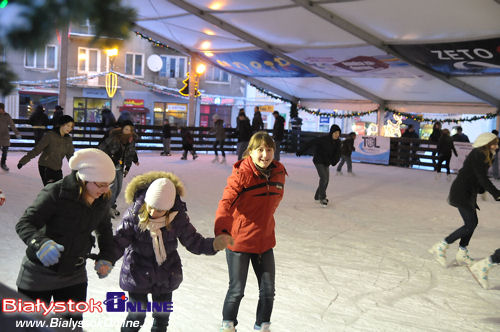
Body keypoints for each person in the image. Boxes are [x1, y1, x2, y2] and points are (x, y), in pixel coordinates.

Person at [112, 173, 232, 332]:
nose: (154, 212)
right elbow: (120, 240)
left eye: (160, 210)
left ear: (169, 209)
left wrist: (214, 244)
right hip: (137, 273)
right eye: (151, 206)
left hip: (165, 274)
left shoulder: (177, 218)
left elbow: (193, 241)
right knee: (136, 316)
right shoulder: (135, 214)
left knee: (161, 319)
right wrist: (106, 258)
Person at [15, 148, 116, 324]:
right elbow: (25, 223)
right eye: (101, 184)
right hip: (38, 274)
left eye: (109, 184)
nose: (106, 189)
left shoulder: (102, 197)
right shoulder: (55, 192)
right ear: (85, 179)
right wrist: (40, 243)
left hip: (74, 275)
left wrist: (107, 257)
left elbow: (105, 229)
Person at [215, 131, 286, 332]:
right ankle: (228, 326)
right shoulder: (242, 175)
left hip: (264, 241)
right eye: (260, 150)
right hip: (239, 241)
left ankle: (262, 326)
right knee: (237, 290)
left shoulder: (278, 172)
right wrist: (222, 230)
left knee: (268, 291)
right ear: (251, 152)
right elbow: (226, 204)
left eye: (269, 149)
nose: (265, 154)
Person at [429, 132, 500, 268]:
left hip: (468, 191)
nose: (497, 145)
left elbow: (478, 175)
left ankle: (462, 252)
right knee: (470, 224)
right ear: (487, 144)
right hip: (461, 191)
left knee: (472, 223)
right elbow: (482, 177)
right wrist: (495, 193)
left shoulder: (487, 155)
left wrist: (481, 190)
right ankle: (441, 246)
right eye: (494, 143)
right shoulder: (478, 154)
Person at [17, 115, 75, 186]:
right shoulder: (50, 136)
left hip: (57, 168)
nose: (70, 128)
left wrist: (76, 168)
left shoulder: (68, 139)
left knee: (59, 190)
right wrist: (23, 161)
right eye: (68, 125)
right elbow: (37, 150)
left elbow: (70, 155)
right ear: (61, 124)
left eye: (71, 127)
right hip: (45, 167)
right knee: (51, 190)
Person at [99, 121, 139, 217]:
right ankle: (107, 208)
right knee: (113, 187)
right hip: (109, 165)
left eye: (130, 130)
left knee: (119, 188)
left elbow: (131, 153)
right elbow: (101, 148)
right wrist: (108, 159)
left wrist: (128, 167)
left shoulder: (130, 140)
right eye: (126, 129)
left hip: (120, 167)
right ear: (121, 129)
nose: (128, 131)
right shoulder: (113, 138)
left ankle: (111, 206)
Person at [296, 124, 341, 207]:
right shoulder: (323, 140)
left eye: (338, 133)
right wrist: (301, 150)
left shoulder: (338, 142)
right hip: (319, 160)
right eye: (335, 133)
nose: (337, 135)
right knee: (323, 178)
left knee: (326, 180)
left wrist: (334, 161)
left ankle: (317, 196)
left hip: (327, 162)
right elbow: (311, 142)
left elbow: (338, 154)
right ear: (331, 133)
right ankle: (322, 197)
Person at [0, 102, 21, 171]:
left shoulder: (7, 116)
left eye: (1, 109)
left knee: (5, 151)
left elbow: (12, 125)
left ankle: (3, 164)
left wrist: (17, 133)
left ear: (3, 109)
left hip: (5, 137)